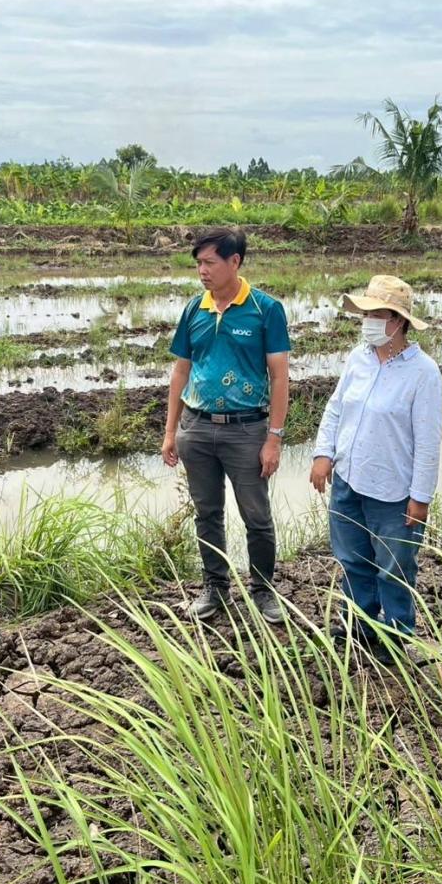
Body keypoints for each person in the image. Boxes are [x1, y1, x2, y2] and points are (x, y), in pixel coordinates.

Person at [309, 275, 442, 663]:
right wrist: (323, 454)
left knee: (394, 567)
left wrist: (420, 498)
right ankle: (361, 624)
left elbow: (428, 441)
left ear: (398, 321)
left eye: (376, 314)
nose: (367, 321)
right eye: (364, 313)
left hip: (394, 493)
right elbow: (336, 408)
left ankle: (397, 633)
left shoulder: (423, 372)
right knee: (353, 560)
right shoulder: (358, 357)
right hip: (349, 481)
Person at [161, 227, 291, 623]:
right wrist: (171, 431)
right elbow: (181, 371)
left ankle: (264, 592)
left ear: (235, 262)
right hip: (197, 428)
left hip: (246, 429)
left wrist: (274, 438)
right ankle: (215, 589)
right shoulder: (193, 310)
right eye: (198, 263)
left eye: (209, 262)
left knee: (256, 515)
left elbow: (280, 377)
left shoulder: (265, 309)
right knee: (207, 513)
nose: (202, 270)